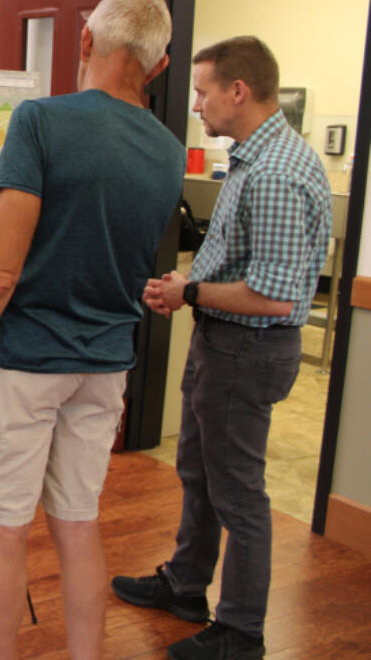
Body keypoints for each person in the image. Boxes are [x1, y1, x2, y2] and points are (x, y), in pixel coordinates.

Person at [0, 0, 185, 660]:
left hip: (23, 366)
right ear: (155, 68)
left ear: (88, 42)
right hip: (104, 366)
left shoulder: (42, 120)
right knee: (77, 522)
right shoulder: (164, 148)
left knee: (0, 529)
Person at [112, 36, 332, 660]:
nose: (198, 107)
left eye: (204, 93)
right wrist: (189, 291)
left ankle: (240, 633)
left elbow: (276, 298)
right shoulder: (249, 160)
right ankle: (185, 585)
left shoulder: (277, 174)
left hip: (247, 352)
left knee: (238, 492)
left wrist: (191, 291)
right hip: (222, 343)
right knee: (200, 473)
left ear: (239, 91)